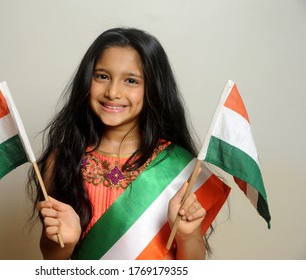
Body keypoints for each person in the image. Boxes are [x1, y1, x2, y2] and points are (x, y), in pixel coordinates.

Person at [27, 27, 229, 260]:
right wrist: (65, 243)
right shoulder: (63, 160)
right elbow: (52, 262)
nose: (113, 92)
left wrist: (187, 236)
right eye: (102, 76)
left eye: (131, 81)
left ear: (153, 88)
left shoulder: (178, 167)